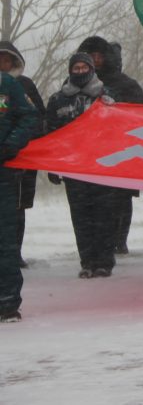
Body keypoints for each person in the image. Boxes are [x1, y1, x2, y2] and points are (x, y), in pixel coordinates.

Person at [46, 53, 118, 278]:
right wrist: (53, 165)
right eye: (75, 68)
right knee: (81, 217)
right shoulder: (58, 100)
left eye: (83, 67)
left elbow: (118, 129)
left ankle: (105, 261)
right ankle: (87, 261)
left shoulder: (106, 96)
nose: (79, 71)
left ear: (92, 70)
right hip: (73, 168)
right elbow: (52, 134)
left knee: (104, 216)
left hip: (102, 166)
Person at [77, 36, 143, 254]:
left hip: (120, 150)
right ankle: (96, 243)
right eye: (92, 56)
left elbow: (142, 116)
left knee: (121, 199)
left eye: (99, 55)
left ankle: (119, 240)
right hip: (88, 153)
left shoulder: (126, 85)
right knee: (90, 202)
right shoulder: (75, 85)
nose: (96, 60)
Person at [0, 42, 45, 268]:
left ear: (14, 62)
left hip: (20, 161)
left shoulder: (23, 86)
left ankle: (14, 253)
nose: (2, 65)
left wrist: (13, 144)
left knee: (15, 211)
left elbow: (36, 118)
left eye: (6, 60)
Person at [0, 68, 39, 323]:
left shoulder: (7, 84)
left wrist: (10, 145)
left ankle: (7, 301)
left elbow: (29, 118)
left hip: (3, 174)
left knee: (5, 240)